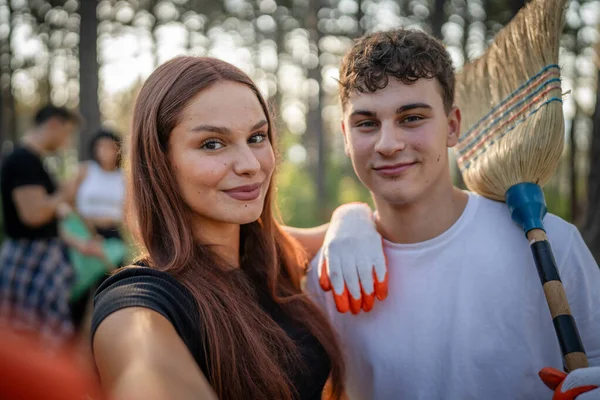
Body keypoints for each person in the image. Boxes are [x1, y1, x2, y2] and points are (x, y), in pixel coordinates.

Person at [307, 29, 600, 399]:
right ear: (345, 137)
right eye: (366, 123)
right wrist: (346, 215)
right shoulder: (329, 276)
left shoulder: (550, 242)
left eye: (411, 118)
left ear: (452, 126)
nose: (388, 144)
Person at [91, 56, 385, 400]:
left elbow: (375, 228)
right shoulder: (142, 300)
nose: (250, 165)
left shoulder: (272, 257)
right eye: (212, 143)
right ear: (161, 161)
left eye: (257, 137)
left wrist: (352, 216)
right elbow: (140, 363)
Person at [0, 105, 102, 342]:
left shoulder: (34, 160)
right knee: (28, 340)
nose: (67, 140)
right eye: (67, 132)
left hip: (40, 257)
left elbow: (48, 224)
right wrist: (68, 190)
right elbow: (34, 215)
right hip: (28, 260)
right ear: (54, 124)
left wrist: (80, 243)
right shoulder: (23, 160)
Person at [76, 129, 125, 241]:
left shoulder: (124, 177)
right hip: (83, 233)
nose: (104, 151)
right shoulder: (85, 170)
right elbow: (68, 201)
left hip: (114, 235)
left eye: (110, 147)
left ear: (118, 149)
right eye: (100, 146)